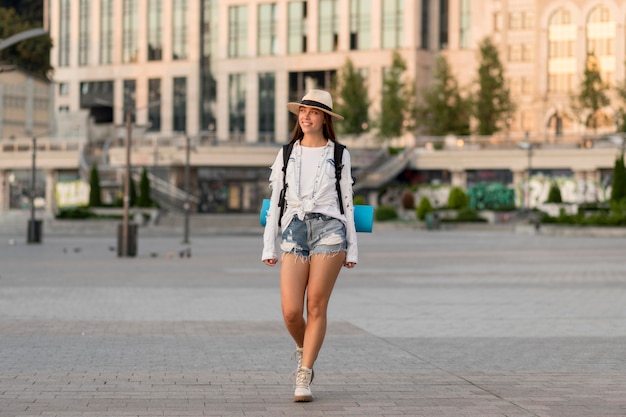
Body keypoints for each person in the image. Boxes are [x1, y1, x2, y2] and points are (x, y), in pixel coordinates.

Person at [262, 89, 358, 402]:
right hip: (294, 230)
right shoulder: (287, 153)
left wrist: (353, 249)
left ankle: (304, 375)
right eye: (303, 111)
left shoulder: (340, 154)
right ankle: (308, 350)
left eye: (313, 112)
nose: (306, 116)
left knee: (315, 305)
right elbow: (276, 202)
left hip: (330, 230)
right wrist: (269, 246)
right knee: (291, 312)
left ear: (325, 119)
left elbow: (347, 204)